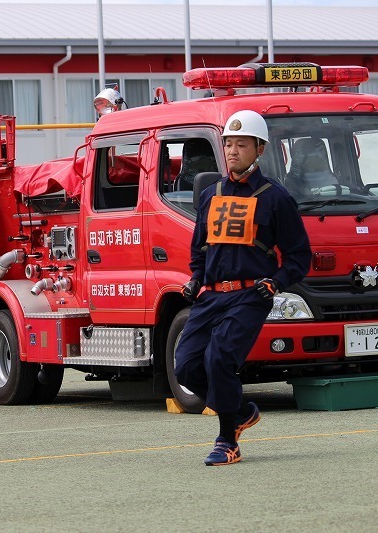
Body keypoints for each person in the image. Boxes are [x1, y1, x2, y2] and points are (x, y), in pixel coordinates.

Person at [175, 110, 312, 466]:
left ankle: (227, 440)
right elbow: (200, 247)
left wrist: (276, 282)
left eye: (242, 144)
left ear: (260, 149)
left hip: (251, 296)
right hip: (211, 295)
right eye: (229, 143)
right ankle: (239, 411)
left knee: (219, 358)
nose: (233, 150)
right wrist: (194, 278)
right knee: (186, 366)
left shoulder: (274, 197)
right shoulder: (211, 193)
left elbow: (299, 256)